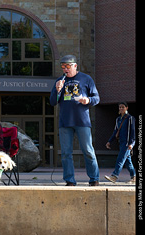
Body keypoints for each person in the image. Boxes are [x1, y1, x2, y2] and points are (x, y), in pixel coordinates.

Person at [50, 55, 100, 186]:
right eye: (63, 67)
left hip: (82, 121)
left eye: (68, 66)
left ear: (75, 66)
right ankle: (70, 180)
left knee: (88, 151)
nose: (65, 69)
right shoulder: (59, 81)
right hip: (65, 122)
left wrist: (88, 100)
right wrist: (57, 90)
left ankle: (94, 178)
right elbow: (52, 102)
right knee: (66, 153)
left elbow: (97, 98)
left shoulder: (86, 79)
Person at [104, 102, 136, 184]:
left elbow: (132, 132)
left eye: (122, 107)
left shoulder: (130, 118)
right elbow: (115, 132)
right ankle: (134, 177)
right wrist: (109, 141)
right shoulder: (118, 119)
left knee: (120, 159)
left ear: (126, 108)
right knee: (128, 162)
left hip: (127, 143)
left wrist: (131, 143)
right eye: (120, 107)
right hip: (121, 142)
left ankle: (114, 176)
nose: (121, 109)